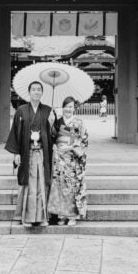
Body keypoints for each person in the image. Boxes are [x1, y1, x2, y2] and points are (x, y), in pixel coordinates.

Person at [5, 81, 57, 227]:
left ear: (42, 93)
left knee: (41, 184)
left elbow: (54, 135)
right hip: (27, 152)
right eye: (33, 89)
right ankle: (26, 218)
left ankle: (41, 218)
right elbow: (15, 132)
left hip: (42, 153)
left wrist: (52, 124)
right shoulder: (21, 110)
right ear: (29, 92)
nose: (36, 92)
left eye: (39, 89)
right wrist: (16, 153)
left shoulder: (48, 110)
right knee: (28, 185)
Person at [48, 96, 88, 226]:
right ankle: (61, 214)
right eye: (66, 106)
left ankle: (72, 215)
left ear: (74, 108)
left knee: (71, 186)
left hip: (72, 160)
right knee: (60, 187)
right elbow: (52, 138)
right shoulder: (58, 122)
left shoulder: (79, 123)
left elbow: (84, 140)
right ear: (63, 107)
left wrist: (71, 147)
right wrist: (51, 124)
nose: (68, 109)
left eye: (71, 107)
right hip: (60, 159)